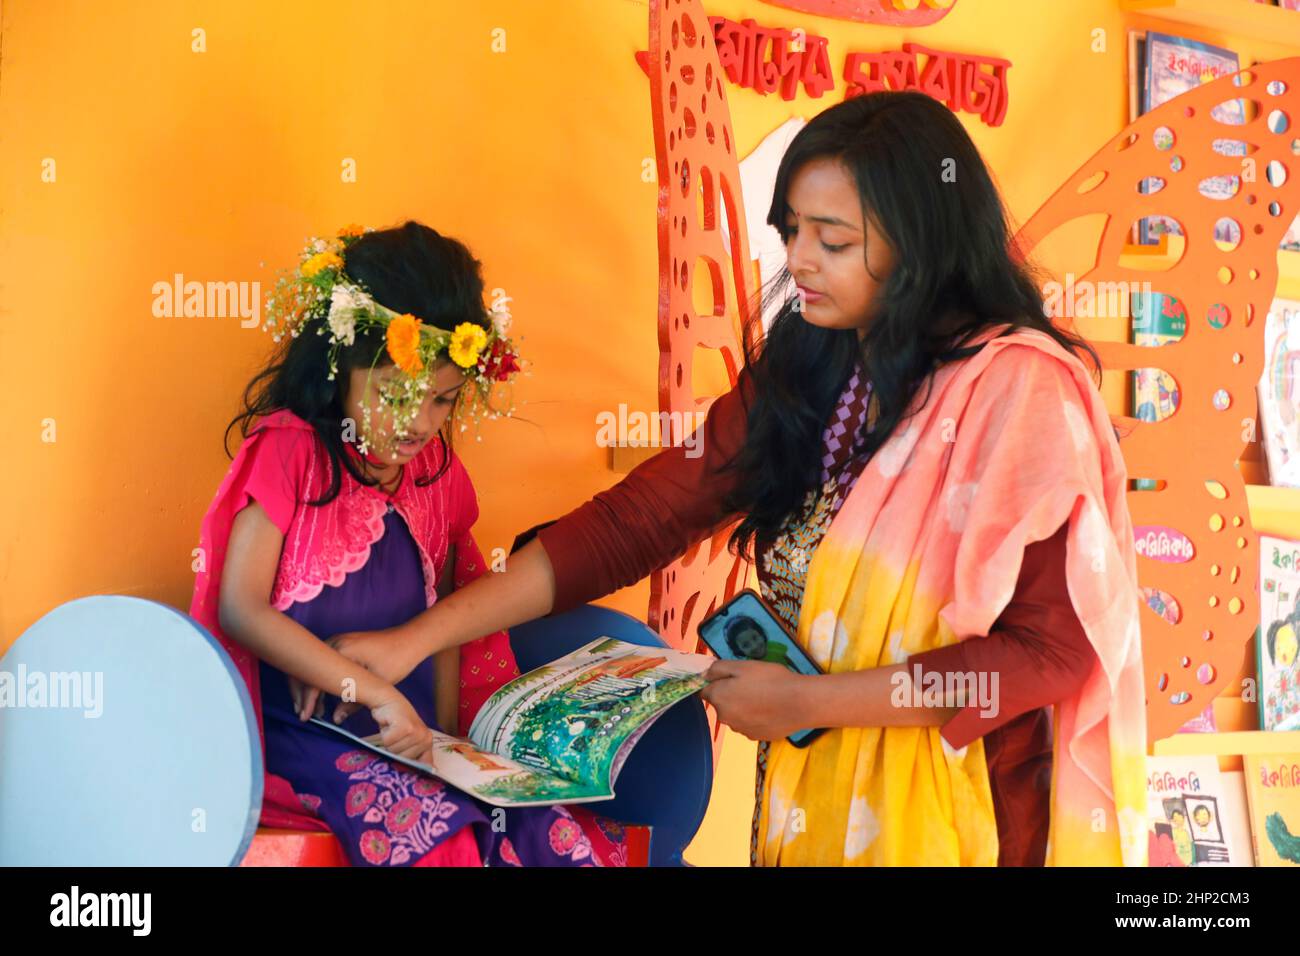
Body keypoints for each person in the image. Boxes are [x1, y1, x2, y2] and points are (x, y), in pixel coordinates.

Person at [321, 93, 1149, 866]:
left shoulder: (1022, 391)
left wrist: (813, 704)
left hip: (965, 813)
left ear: (920, 242)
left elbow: (1050, 656)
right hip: (809, 797)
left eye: (833, 239)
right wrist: (416, 640)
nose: (798, 261)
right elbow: (636, 523)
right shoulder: (818, 360)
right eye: (792, 231)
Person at [190, 221, 626, 867]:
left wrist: (446, 743)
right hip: (306, 738)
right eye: (397, 395)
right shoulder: (289, 453)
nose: (421, 423)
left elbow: (443, 625)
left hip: (413, 735)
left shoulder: (439, 477)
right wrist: (369, 691)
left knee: (549, 830)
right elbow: (240, 609)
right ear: (343, 368)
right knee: (437, 835)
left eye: (444, 401)